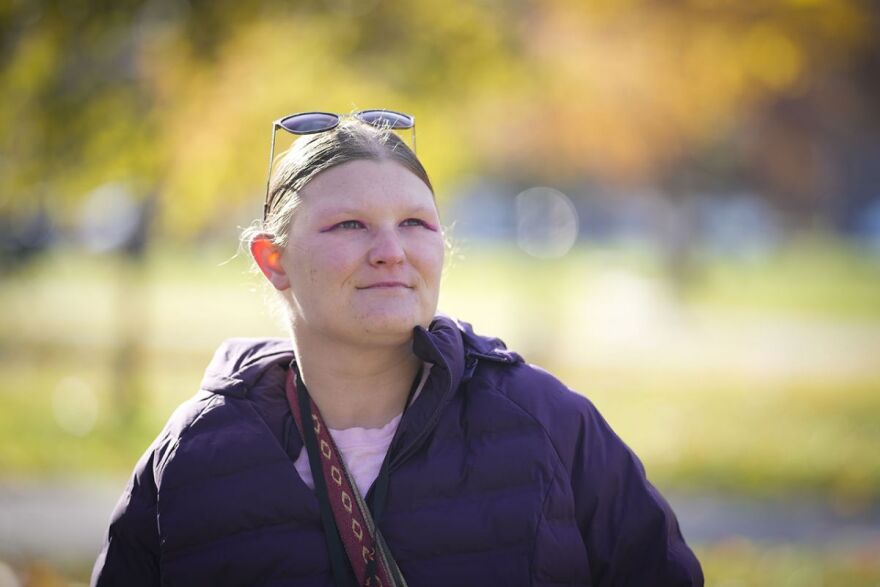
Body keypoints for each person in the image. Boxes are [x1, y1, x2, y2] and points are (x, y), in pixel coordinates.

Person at [92, 110, 703, 586]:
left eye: (415, 223)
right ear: (273, 261)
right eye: (349, 225)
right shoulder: (196, 456)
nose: (392, 251)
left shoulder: (548, 424)